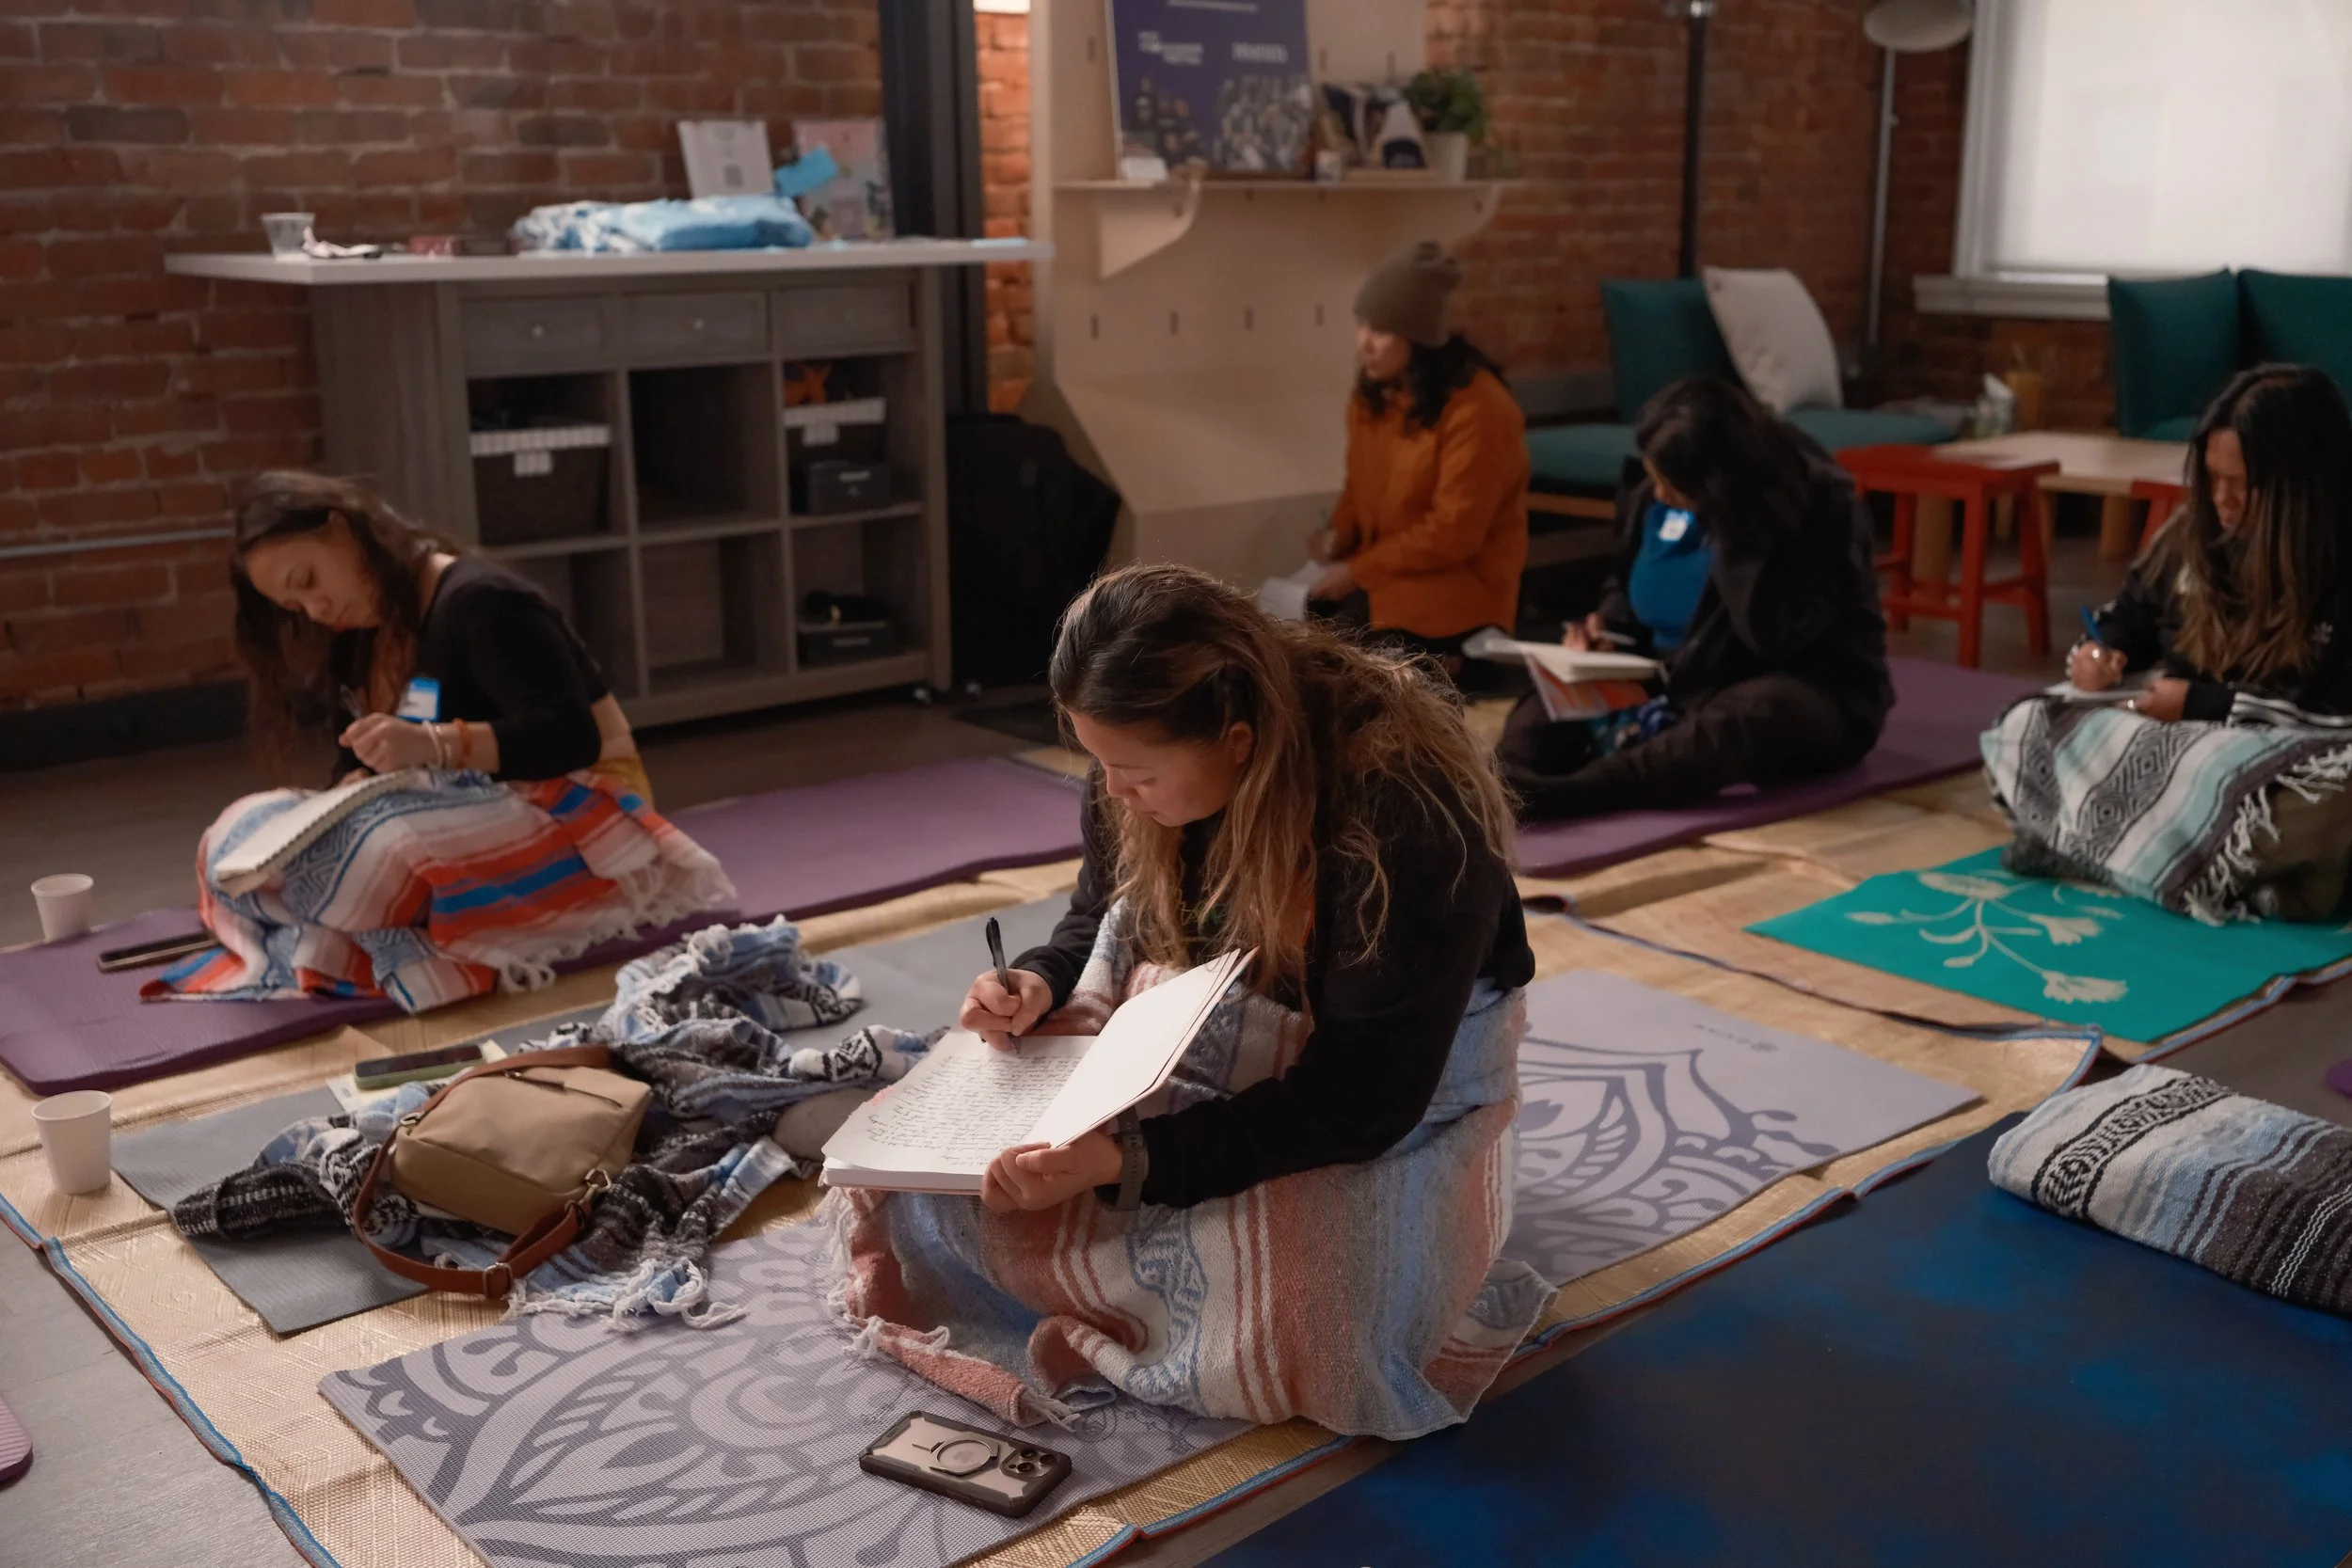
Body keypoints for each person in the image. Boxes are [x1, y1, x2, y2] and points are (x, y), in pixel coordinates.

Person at [834, 563, 1549, 1439]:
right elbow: (1101, 911)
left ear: (1238, 743)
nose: (1113, 791)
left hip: (1394, 1073)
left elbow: (1362, 1100)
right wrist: (1038, 980)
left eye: (1132, 771)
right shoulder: (1137, 764)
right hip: (1212, 1019)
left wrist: (1124, 1161)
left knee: (1326, 1303)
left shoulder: (1402, 823)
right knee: (944, 1186)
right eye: (1099, 764)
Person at [1497, 376, 1893, 819]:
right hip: (1663, 674)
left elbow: (1773, 636)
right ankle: (1501, 785)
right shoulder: (1659, 489)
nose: (1659, 493)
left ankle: (1583, 792)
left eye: (1672, 487)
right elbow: (1624, 585)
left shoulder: (1818, 505)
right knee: (1546, 701)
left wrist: (1735, 529)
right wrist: (1606, 630)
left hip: (1795, 686)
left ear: (1716, 483)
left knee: (1747, 719)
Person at [230, 470, 652, 800]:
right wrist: (348, 788)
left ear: (343, 532)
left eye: (308, 580)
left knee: (382, 855)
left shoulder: (482, 602)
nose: (315, 610)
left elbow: (570, 737)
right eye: (296, 608)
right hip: (478, 802)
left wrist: (436, 744)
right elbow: (355, 759)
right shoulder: (355, 630)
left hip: (586, 793)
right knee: (243, 828)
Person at [2069, 365, 2352, 726]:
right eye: (2213, 477)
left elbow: (2337, 712)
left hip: (2292, 743)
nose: (2221, 499)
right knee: (2032, 722)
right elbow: (2130, 617)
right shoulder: (2191, 534)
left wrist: (2206, 705)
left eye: (2242, 482)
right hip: (2189, 730)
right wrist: (2099, 653)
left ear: (2302, 486)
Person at [1306, 240, 1529, 672]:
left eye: (1381, 331)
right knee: (1298, 624)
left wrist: (1357, 572)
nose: (1365, 344)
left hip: (1457, 588)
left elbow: (1454, 533)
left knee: (1343, 653)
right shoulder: (1373, 396)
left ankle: (1454, 664)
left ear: (1419, 339)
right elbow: (1358, 488)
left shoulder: (1479, 408)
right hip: (1386, 576)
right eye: (1362, 325)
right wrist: (1337, 536)